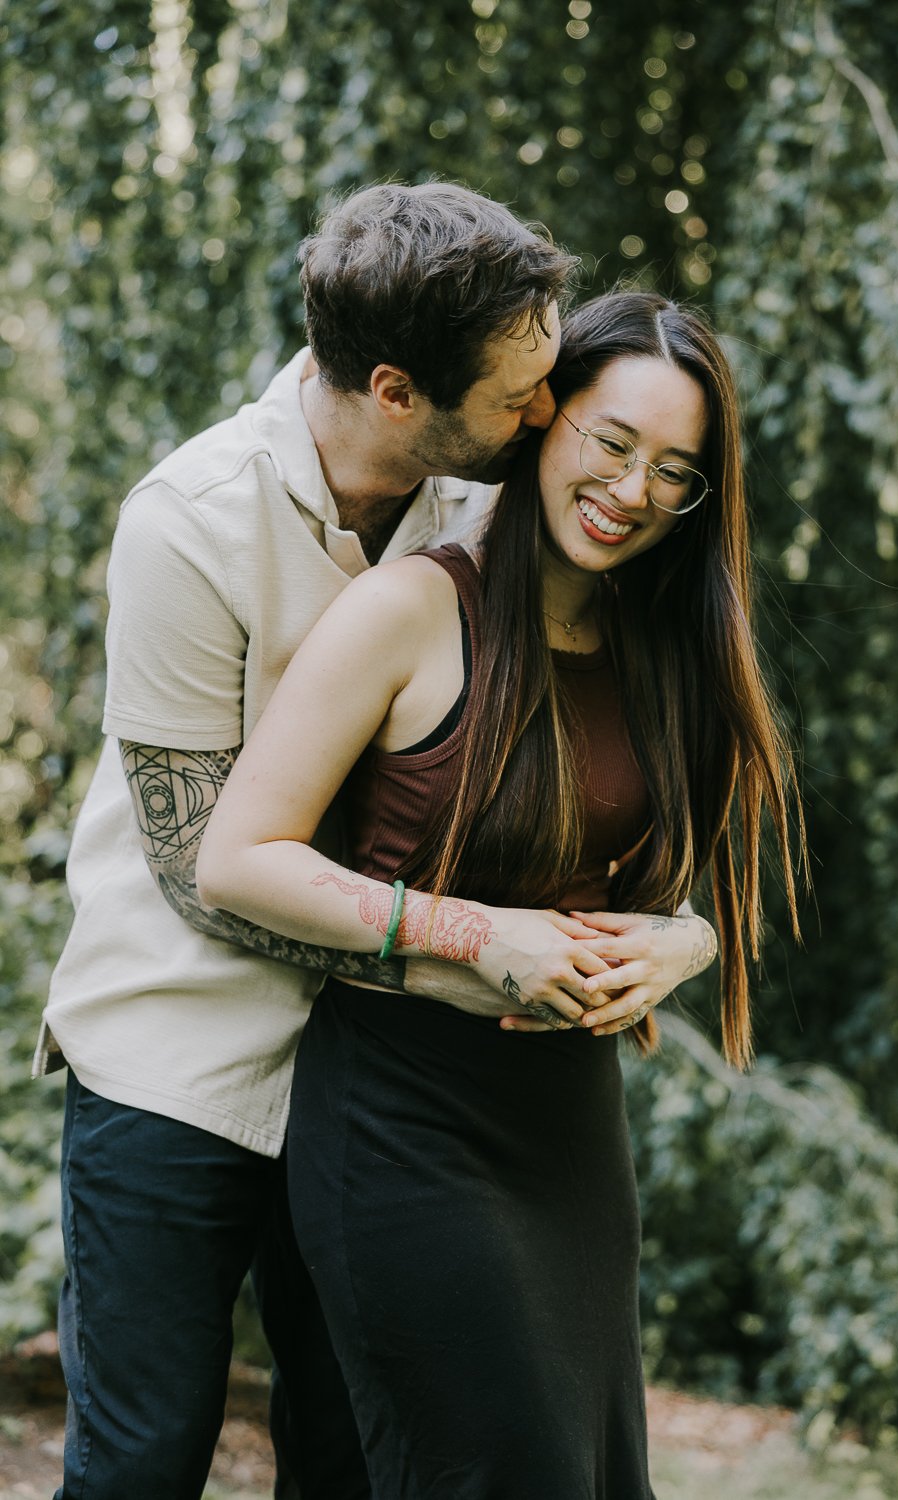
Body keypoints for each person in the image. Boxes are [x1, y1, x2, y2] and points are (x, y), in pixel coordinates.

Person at [33, 182, 633, 1500]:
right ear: (395, 389)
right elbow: (204, 867)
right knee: (142, 1463)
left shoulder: (480, 515)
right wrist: (458, 950)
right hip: (174, 1059)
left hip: (376, 1089)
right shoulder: (189, 520)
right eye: (518, 391)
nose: (545, 413)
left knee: (363, 1461)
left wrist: (669, 929)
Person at [196, 290, 803, 1498]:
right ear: (545, 418)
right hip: (399, 1122)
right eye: (611, 443)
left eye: (674, 472)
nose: (632, 492)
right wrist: (475, 935)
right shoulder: (411, 609)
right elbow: (239, 857)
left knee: (585, 1472)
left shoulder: (662, 643)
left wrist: (678, 945)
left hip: (571, 1134)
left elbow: (675, 895)